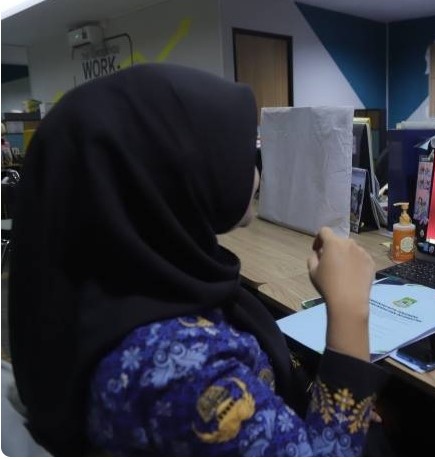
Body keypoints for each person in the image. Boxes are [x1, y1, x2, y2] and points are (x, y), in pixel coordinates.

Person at [8, 63, 386, 456]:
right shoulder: (182, 374)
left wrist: (323, 402)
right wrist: (349, 310)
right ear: (168, 175)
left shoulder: (128, 281)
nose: (255, 169)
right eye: (237, 152)